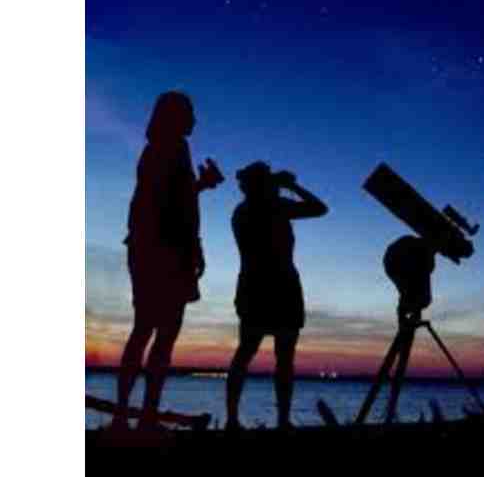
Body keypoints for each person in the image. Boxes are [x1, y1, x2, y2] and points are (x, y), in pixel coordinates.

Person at [111, 91, 223, 431]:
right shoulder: (167, 149)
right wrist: (188, 247)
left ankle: (133, 415)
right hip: (162, 251)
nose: (195, 120)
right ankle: (134, 416)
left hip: (160, 249)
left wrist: (200, 187)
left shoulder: (167, 149)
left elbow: (176, 200)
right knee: (155, 332)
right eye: (189, 113)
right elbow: (167, 203)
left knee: (152, 332)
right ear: (175, 116)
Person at [226, 161, 328, 430]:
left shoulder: (246, 210)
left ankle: (235, 419)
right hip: (275, 288)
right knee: (277, 357)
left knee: (249, 354)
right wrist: (290, 186)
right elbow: (319, 208)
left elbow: (319, 209)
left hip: (260, 288)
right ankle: (276, 420)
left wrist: (282, 185)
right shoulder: (271, 208)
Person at [382, 235, 436, 422]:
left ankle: (390, 409)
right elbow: (420, 294)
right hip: (398, 260)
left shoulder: (422, 258)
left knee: (417, 300)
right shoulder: (421, 258)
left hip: (396, 260)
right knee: (419, 300)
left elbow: (418, 294)